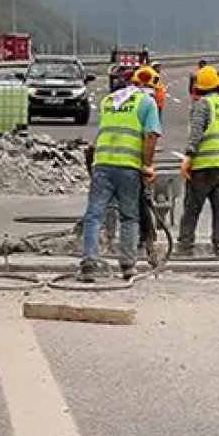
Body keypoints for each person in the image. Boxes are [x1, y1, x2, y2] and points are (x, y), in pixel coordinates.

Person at [78, 65, 162, 282]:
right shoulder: (147, 102)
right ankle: (127, 265)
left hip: (103, 163)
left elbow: (102, 133)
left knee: (94, 214)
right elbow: (150, 136)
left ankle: (89, 262)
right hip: (129, 166)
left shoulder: (110, 101)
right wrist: (148, 165)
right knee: (129, 216)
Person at [176, 65, 219, 257]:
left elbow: (196, 132)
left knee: (192, 208)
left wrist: (188, 157)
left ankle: (185, 247)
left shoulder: (203, 104)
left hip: (203, 165)